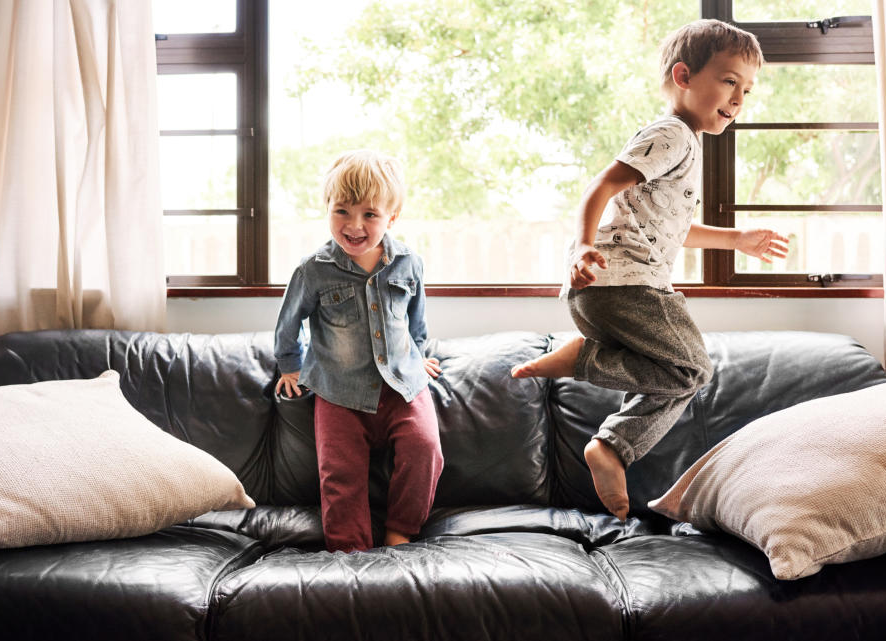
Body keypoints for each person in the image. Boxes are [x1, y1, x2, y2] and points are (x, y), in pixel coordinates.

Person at [510, 19, 789, 521]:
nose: (740, 98)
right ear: (684, 75)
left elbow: (672, 225)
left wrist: (735, 240)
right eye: (729, 81)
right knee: (692, 368)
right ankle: (597, 403)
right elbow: (600, 187)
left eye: (747, 88)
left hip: (610, 289)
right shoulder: (671, 135)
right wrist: (579, 248)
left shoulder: (683, 141)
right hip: (622, 284)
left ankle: (607, 427)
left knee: (679, 373)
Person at [274, 149, 444, 552]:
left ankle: (401, 530)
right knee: (340, 473)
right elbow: (289, 321)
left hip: (402, 385)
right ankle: (350, 553)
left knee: (425, 449)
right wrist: (289, 364)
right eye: (342, 211)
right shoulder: (312, 269)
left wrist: (419, 354)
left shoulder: (409, 263)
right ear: (327, 209)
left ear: (392, 218)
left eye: (369, 214)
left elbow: (415, 318)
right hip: (338, 392)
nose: (354, 225)